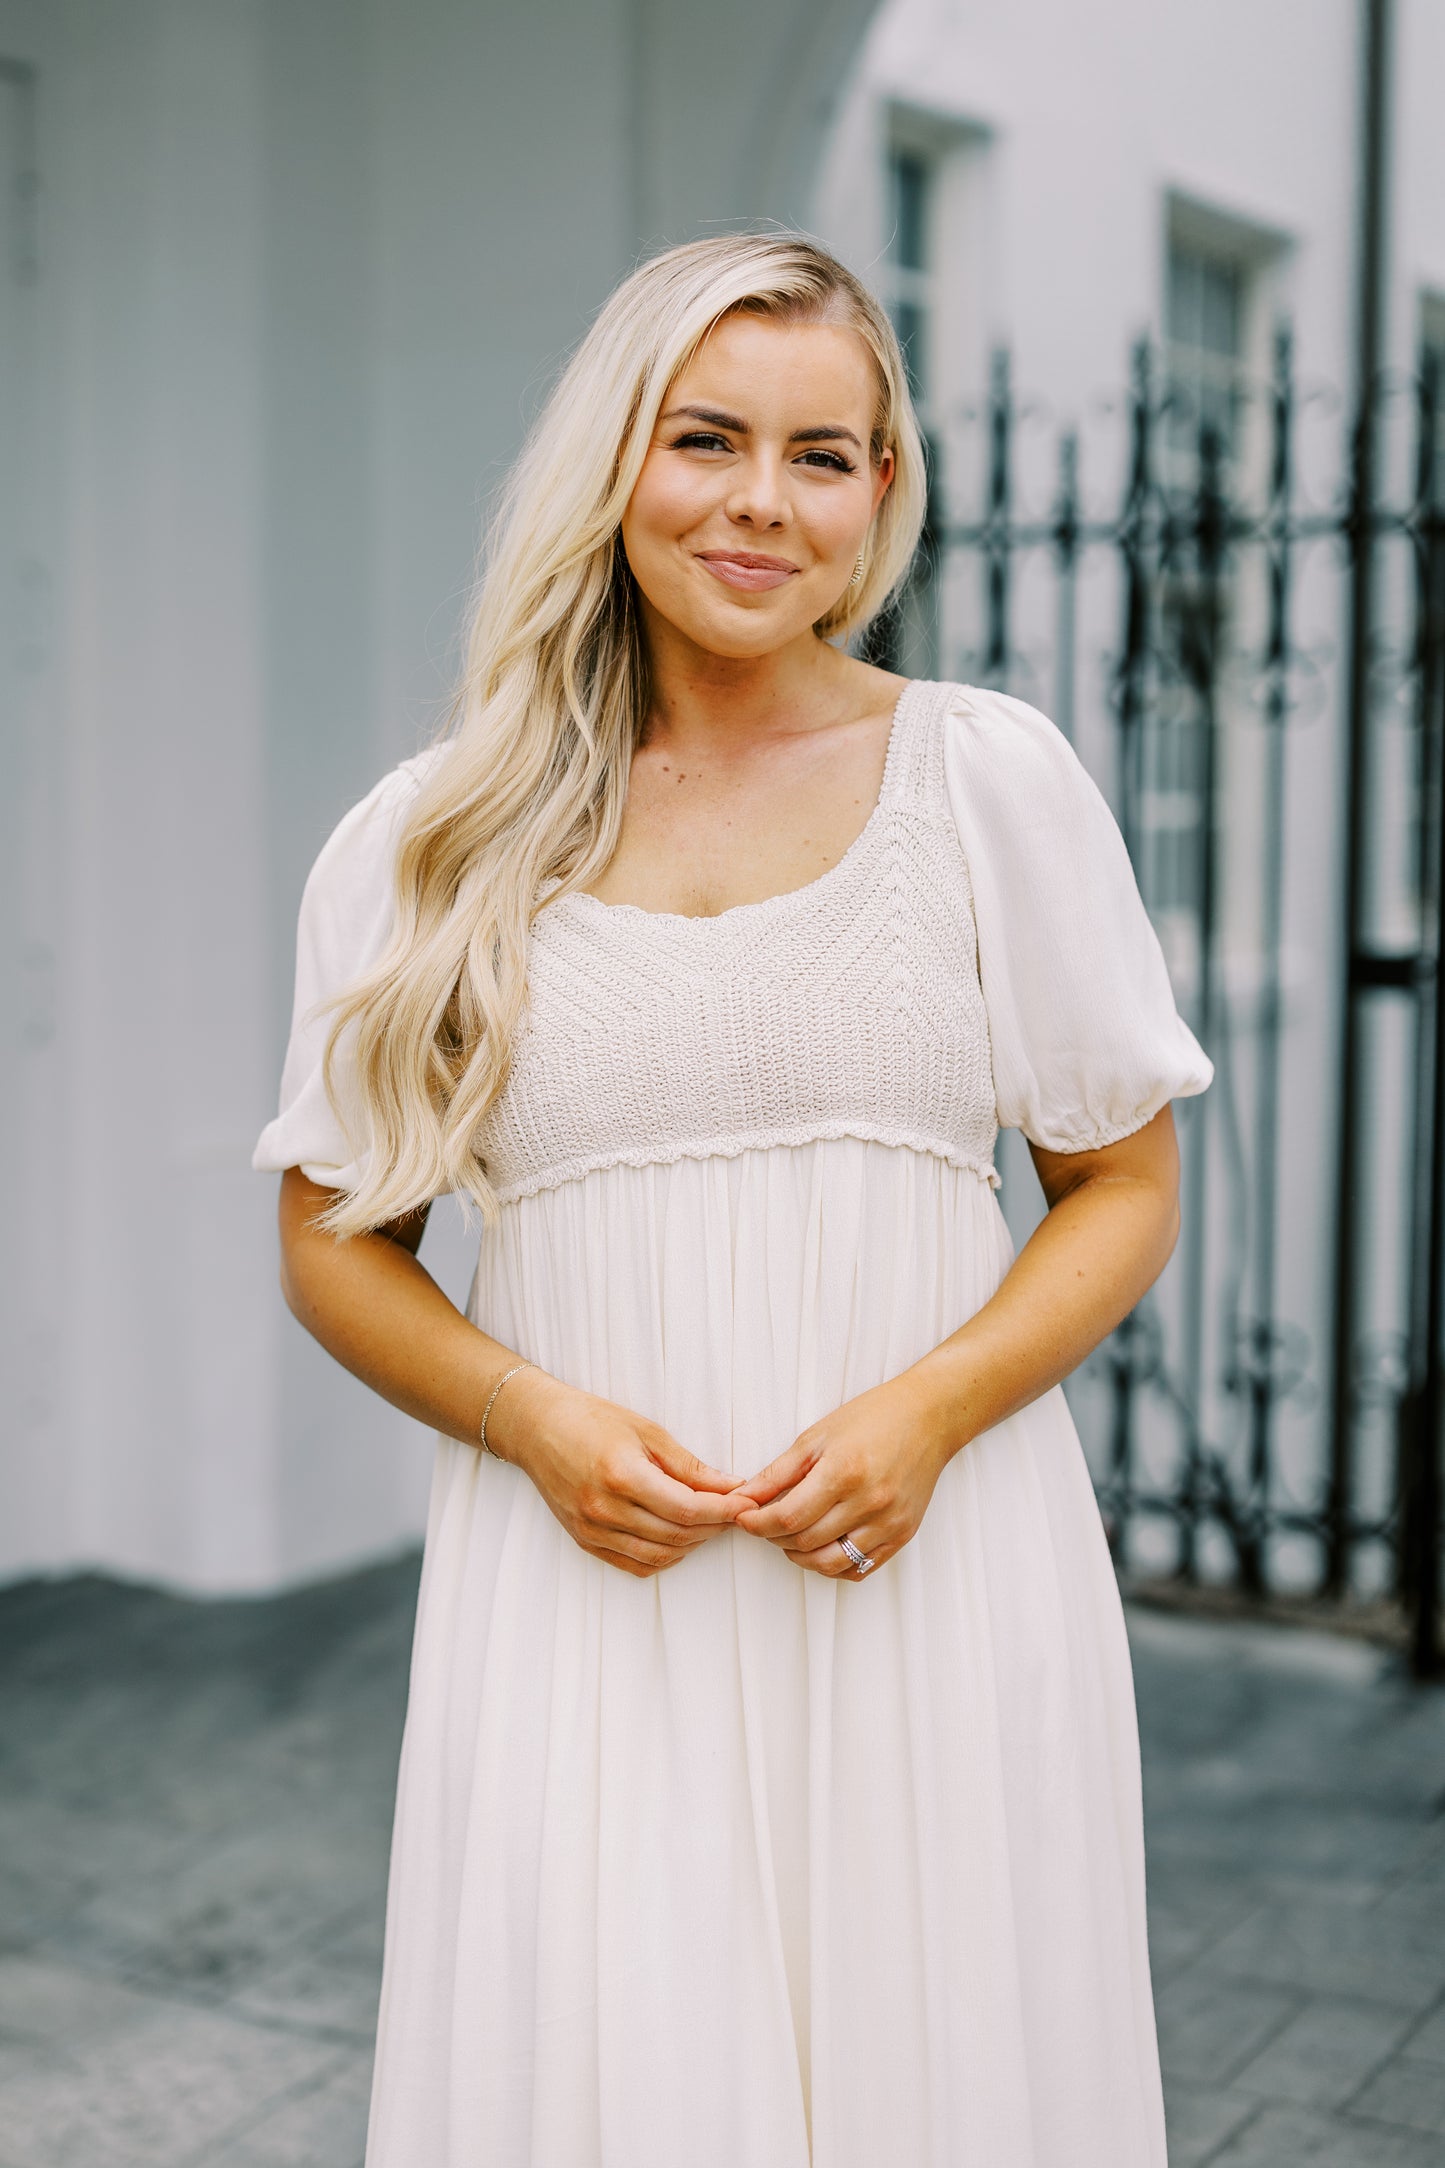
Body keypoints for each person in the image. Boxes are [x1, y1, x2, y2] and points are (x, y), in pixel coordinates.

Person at [254, 231, 1212, 2168]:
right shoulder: (434, 836)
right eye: (708, 438)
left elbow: (1121, 1179)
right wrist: (534, 1419)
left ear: (881, 498)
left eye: (824, 453)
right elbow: (332, 1242)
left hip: (935, 1561)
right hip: (587, 1589)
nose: (762, 502)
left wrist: (929, 1411)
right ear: (617, 461)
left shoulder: (990, 782)